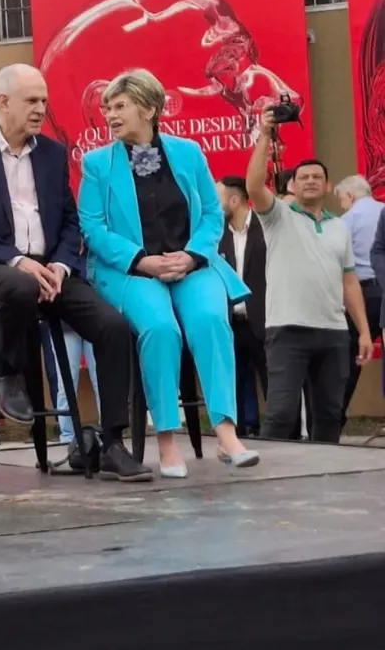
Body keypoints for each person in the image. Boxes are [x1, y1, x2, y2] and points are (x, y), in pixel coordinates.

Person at [0, 63, 151, 482]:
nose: (41, 108)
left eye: (43, 100)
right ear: (3, 102)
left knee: (112, 325)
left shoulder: (53, 154)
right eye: (32, 101)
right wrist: (17, 260)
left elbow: (70, 220)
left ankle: (112, 443)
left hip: (49, 267)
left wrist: (60, 263)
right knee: (19, 286)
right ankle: (11, 373)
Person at [78, 68, 258, 476]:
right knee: (161, 328)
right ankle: (165, 438)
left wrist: (192, 255)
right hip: (131, 270)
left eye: (120, 106)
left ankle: (226, 433)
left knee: (211, 319)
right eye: (108, 108)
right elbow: (92, 226)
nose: (110, 115)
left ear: (149, 109)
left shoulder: (188, 152)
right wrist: (141, 260)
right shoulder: (97, 164)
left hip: (190, 265)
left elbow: (211, 213)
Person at [246, 110, 374, 443]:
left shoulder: (339, 227)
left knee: (330, 414)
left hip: (334, 333)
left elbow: (349, 282)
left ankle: (325, 472)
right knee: (281, 414)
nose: (311, 181)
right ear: (292, 185)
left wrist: (363, 331)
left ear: (328, 186)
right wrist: (265, 136)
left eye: (317, 176)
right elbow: (254, 186)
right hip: (288, 330)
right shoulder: (278, 217)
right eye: (303, 177)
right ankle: (271, 474)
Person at [216, 176, 268, 436]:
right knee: (234, 382)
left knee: (273, 383)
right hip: (230, 322)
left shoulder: (266, 227)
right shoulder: (216, 234)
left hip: (265, 320)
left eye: (218, 198)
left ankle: (283, 435)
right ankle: (239, 433)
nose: (213, 204)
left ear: (234, 201)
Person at [336, 175, 384, 422]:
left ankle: (335, 419)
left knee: (349, 359)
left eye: (342, 200)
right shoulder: (382, 210)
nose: (342, 206)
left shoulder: (345, 221)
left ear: (350, 195)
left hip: (362, 295)